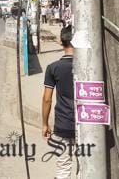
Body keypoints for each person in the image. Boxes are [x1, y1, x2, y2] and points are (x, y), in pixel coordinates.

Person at [42, 25, 76, 179]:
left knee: (63, 166)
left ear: (61, 42)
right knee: (85, 166)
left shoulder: (53, 68)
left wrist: (45, 124)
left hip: (63, 124)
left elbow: (47, 99)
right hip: (86, 123)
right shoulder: (91, 66)